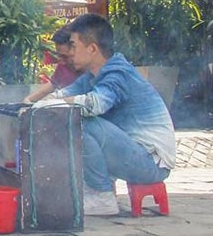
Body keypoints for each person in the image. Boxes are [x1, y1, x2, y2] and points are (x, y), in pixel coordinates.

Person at [35, 13, 176, 216]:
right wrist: (33, 105)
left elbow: (95, 104)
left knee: (79, 121)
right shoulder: (91, 76)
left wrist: (53, 104)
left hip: (150, 163)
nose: (71, 53)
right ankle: (97, 189)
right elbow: (62, 95)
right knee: (70, 114)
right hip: (132, 154)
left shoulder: (118, 73)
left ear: (92, 48)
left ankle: (101, 196)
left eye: (74, 46)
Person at [23, 23, 79, 103]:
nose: (62, 62)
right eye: (59, 56)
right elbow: (53, 84)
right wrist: (29, 99)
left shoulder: (95, 70)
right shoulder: (64, 65)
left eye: (65, 56)